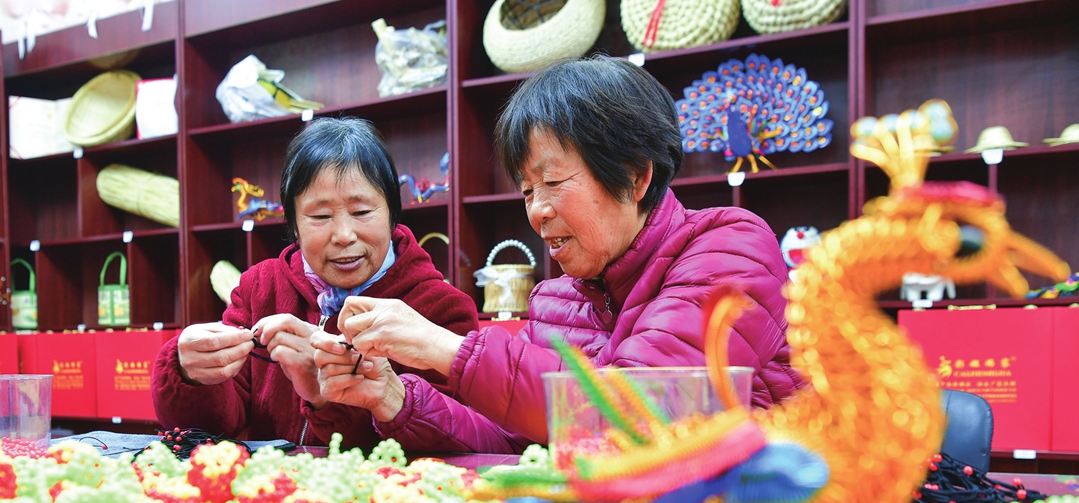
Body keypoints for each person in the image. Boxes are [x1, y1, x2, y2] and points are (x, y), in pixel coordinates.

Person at [310, 56, 802, 454]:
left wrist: (447, 348)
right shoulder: (554, 301)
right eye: (526, 190)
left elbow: (641, 414)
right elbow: (522, 444)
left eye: (552, 182)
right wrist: (394, 399)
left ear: (635, 176)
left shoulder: (730, 248)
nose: (537, 212)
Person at [151, 117, 477, 447]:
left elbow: (454, 442)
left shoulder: (441, 309)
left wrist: (326, 393)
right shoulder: (259, 289)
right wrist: (191, 374)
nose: (344, 236)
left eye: (362, 212)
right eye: (320, 217)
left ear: (393, 212)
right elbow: (215, 425)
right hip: (275, 494)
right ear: (293, 223)